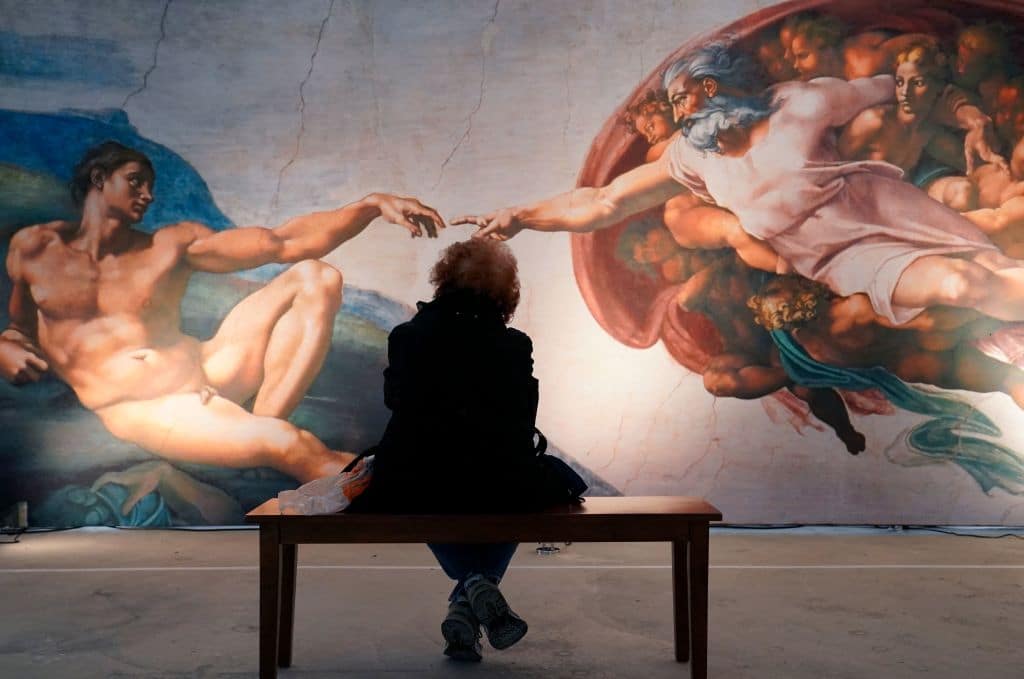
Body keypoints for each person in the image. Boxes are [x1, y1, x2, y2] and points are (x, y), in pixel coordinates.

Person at [453, 42, 1024, 328]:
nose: (678, 114)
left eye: (681, 98)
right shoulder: (689, 160)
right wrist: (522, 215)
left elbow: (906, 92)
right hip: (846, 259)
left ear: (711, 89)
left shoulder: (801, 102)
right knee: (963, 285)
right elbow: (603, 202)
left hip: (891, 210)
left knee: (995, 268)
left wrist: (972, 118)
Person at [0, 141, 445, 483]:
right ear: (99, 179)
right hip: (149, 404)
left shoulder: (168, 246)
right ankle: (417, 490)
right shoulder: (35, 247)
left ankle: (264, 425)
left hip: (209, 366)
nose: (148, 195)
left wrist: (370, 206)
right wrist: (7, 347)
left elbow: (283, 242)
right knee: (291, 446)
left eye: (150, 185)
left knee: (315, 276)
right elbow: (19, 327)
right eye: (135, 181)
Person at [347, 238, 583, 662]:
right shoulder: (514, 345)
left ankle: (468, 593)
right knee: (519, 489)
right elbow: (522, 419)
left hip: (417, 479)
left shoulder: (407, 337)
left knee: (422, 488)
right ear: (505, 292)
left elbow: (394, 401)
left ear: (445, 280)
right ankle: (476, 585)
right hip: (496, 480)